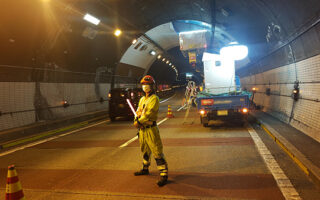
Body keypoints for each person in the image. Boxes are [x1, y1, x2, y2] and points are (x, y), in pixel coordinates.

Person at [133, 75, 168, 187]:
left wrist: (138, 122)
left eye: (147, 85)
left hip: (151, 129)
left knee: (157, 151)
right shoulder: (142, 99)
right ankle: (145, 168)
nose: (145, 87)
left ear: (152, 86)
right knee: (145, 150)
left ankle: (164, 175)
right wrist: (136, 120)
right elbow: (138, 111)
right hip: (142, 130)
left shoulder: (154, 99)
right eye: (143, 85)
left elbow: (149, 114)